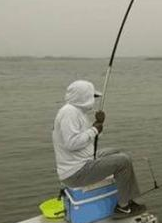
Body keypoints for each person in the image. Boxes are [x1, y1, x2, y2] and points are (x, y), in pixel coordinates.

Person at [52, 80, 146, 219]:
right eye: (92, 97)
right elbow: (71, 144)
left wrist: (98, 124)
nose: (94, 100)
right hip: (76, 172)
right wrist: (95, 129)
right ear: (83, 98)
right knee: (123, 161)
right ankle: (123, 207)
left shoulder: (77, 112)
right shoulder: (69, 113)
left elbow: (91, 137)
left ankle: (126, 195)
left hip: (84, 161)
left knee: (116, 151)